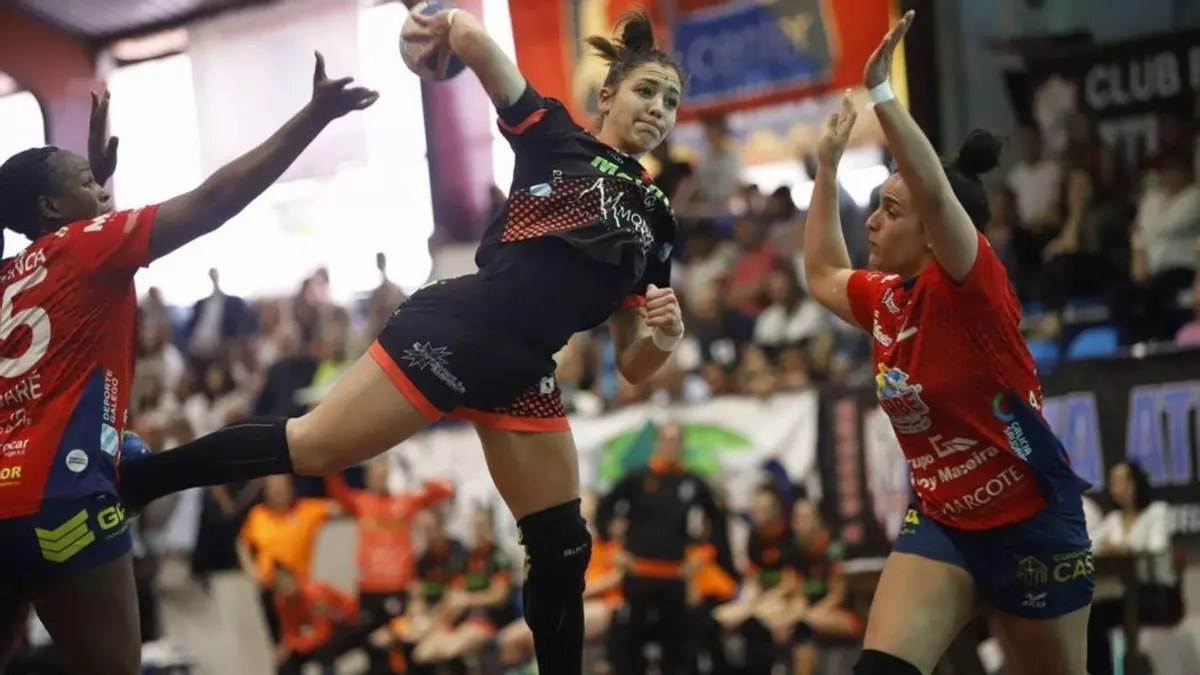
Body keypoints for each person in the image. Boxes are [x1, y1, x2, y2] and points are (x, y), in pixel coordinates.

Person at [115, 9, 685, 675]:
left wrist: (666, 337)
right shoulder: (554, 134)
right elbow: (473, 39)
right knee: (313, 445)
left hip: (524, 371)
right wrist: (437, 28)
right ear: (607, 95)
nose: (658, 107)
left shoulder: (658, 220)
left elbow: (635, 363)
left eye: (671, 100)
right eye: (647, 90)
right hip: (458, 328)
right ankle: (141, 479)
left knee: (563, 546)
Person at [0, 55, 376, 675]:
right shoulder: (92, 245)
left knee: (132, 455)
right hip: (65, 499)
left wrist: (90, 190)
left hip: (6, 497)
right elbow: (214, 199)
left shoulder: (13, 274)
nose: (103, 192)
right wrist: (313, 118)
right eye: (88, 182)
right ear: (51, 207)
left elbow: (70, 259)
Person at [801, 11, 1093, 675]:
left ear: (935, 234)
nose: (872, 222)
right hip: (945, 525)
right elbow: (821, 273)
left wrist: (883, 94)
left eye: (891, 211)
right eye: (875, 206)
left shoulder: (973, 287)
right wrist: (826, 166)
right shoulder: (886, 298)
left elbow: (933, 190)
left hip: (1031, 525)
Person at [595, 423, 735, 675]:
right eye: (667, 440)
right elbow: (604, 509)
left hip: (675, 575)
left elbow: (717, 521)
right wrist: (612, 549)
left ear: (682, 445)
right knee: (630, 642)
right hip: (638, 572)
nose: (671, 446)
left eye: (676, 441)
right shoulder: (638, 477)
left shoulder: (691, 482)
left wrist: (704, 555)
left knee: (676, 645)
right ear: (658, 443)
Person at [1086, 460, 1180, 675]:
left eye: (1123, 481)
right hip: (1130, 593)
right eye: (1113, 483)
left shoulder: (1157, 511)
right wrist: (1105, 548)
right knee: (1093, 616)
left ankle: (1133, 668)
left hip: (1159, 594)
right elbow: (1089, 546)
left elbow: (1156, 546)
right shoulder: (1114, 519)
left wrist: (1122, 546)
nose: (1117, 488)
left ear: (1137, 482)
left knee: (1127, 608)